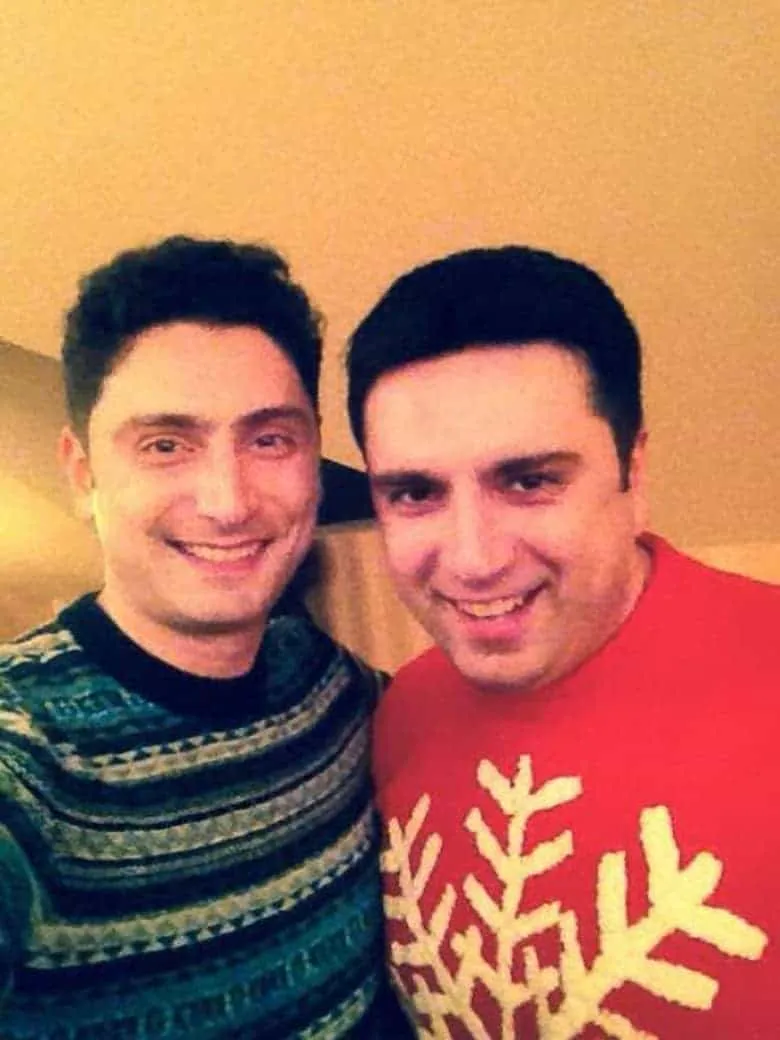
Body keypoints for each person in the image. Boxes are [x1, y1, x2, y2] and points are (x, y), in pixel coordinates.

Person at [345, 246, 780, 1039]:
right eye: (415, 493)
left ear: (633, 470)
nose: (473, 558)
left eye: (530, 481)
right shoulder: (400, 713)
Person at [0, 236, 410, 1039]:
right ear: (82, 474)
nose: (228, 502)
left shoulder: (330, 685)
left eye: (269, 439)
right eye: (165, 445)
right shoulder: (29, 756)